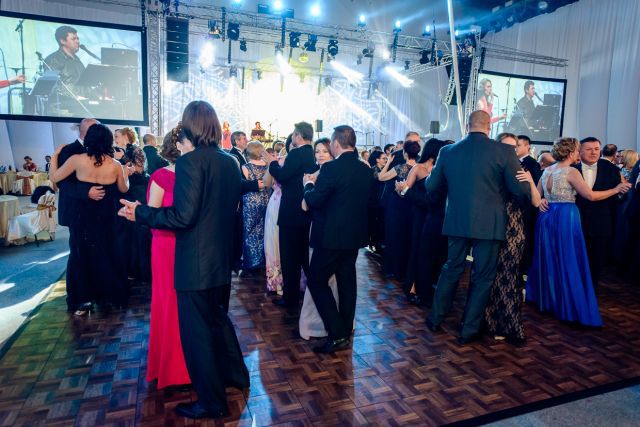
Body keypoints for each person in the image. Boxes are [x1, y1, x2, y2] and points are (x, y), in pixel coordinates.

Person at [119, 101, 249, 420]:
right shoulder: (230, 161)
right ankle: (236, 375)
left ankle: (212, 402)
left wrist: (141, 213)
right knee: (219, 321)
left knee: (198, 335)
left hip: (196, 263)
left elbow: (183, 217)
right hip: (221, 260)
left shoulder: (191, 161)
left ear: (191, 126)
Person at [424, 110, 531, 345]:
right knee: (483, 277)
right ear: (489, 127)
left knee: (451, 269)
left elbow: (431, 186)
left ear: (467, 126)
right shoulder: (503, 151)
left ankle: (435, 318)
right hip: (490, 223)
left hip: (456, 221)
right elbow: (520, 190)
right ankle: (468, 330)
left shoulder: (447, 151)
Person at [526, 137, 630, 326]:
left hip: (547, 217)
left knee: (550, 258)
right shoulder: (571, 171)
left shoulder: (547, 170)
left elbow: (537, 198)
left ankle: (550, 300)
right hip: (566, 216)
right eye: (577, 149)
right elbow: (590, 196)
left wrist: (541, 201)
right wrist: (616, 189)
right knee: (568, 259)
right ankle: (567, 304)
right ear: (572, 152)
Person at [303, 125, 373, 353]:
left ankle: (337, 331)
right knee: (346, 280)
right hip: (354, 236)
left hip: (331, 237)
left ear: (335, 143)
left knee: (316, 281)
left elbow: (315, 200)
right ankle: (345, 328)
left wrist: (308, 185)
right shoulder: (365, 169)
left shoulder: (331, 169)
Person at [50, 123, 129, 315]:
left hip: (83, 217)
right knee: (108, 253)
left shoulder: (77, 160)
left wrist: (55, 156)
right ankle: (109, 296)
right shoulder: (115, 165)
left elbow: (54, 177)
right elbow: (123, 188)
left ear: (89, 139)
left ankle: (82, 299)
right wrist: (125, 174)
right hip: (107, 216)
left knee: (81, 256)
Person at [145, 126, 194, 390]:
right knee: (168, 303)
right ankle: (171, 368)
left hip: (189, 246)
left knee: (187, 307)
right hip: (166, 246)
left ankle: (189, 365)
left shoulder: (194, 176)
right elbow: (152, 216)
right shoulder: (161, 176)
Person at [485, 133, 541, 346]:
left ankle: (508, 325)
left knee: (509, 278)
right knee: (490, 278)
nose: (511, 150)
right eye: (506, 146)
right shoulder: (491, 169)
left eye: (514, 146)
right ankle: (490, 323)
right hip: (492, 228)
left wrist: (531, 182)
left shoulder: (522, 170)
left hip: (514, 231)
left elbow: (536, 202)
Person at [263, 122, 318, 313]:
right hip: (305, 212)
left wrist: (272, 163)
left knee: (289, 258)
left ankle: (290, 298)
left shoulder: (296, 154)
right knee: (303, 255)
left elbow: (283, 176)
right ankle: (314, 292)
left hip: (290, 213)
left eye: (294, 134)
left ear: (298, 136)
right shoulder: (312, 154)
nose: (292, 137)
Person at [56, 118, 107, 312]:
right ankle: (77, 298)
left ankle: (94, 291)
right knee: (78, 253)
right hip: (76, 211)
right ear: (86, 131)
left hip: (95, 213)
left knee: (94, 252)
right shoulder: (69, 151)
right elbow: (62, 182)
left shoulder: (97, 150)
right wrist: (86, 192)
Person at [299, 137, 337, 340]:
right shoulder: (317, 173)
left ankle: (320, 324)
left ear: (332, 152)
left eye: (324, 151)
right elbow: (305, 206)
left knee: (321, 279)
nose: (320, 155)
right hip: (320, 227)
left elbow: (309, 203)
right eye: (317, 151)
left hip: (325, 231)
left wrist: (308, 185)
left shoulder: (324, 174)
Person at [573, 137, 622, 285]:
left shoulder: (612, 169)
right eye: (589, 149)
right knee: (575, 257)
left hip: (601, 221)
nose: (594, 152)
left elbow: (616, 198)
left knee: (597, 260)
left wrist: (622, 193)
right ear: (579, 151)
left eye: (596, 149)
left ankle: (592, 288)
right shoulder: (571, 169)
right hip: (575, 220)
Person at [377, 138, 420, 280]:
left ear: (405, 153)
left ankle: (393, 269)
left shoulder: (401, 168)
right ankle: (404, 270)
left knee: (394, 236)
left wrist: (388, 162)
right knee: (407, 237)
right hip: (412, 206)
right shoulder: (421, 168)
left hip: (397, 206)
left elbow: (381, 177)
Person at [263, 135, 291, 295]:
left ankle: (279, 282)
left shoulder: (278, 163)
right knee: (280, 243)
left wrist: (271, 165)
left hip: (278, 203)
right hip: (284, 204)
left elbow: (267, 183)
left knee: (275, 242)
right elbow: (267, 182)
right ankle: (285, 282)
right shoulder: (282, 162)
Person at [241, 141, 270, 272]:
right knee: (264, 231)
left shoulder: (246, 167)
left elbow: (244, 185)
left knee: (250, 231)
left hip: (251, 202)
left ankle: (251, 262)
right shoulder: (268, 166)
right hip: (266, 200)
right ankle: (263, 261)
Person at [44, 26, 86, 106]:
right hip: (63, 108)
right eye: (73, 39)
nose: (78, 41)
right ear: (62, 41)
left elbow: (83, 84)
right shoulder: (53, 60)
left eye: (78, 38)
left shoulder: (77, 60)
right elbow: (52, 86)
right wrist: (75, 97)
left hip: (82, 105)